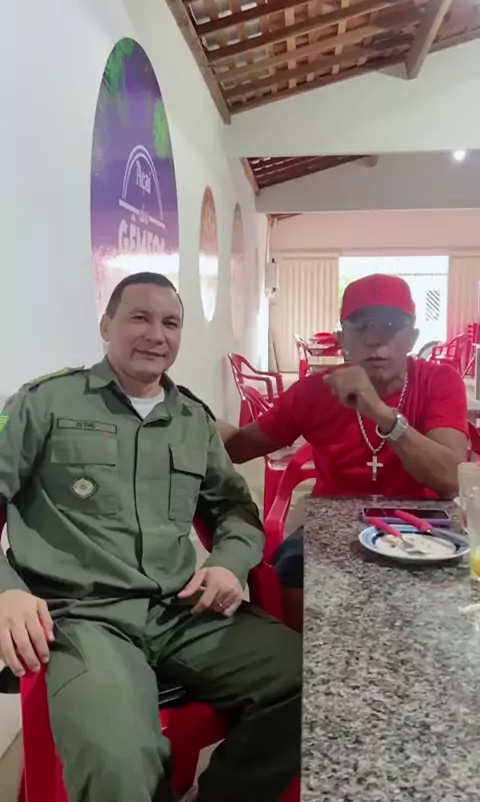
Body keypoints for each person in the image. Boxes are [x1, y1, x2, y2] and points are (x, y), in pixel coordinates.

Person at [0, 272, 301, 802]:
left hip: (180, 610)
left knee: (313, 682)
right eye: (139, 317)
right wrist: (6, 590)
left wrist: (229, 562)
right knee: (121, 765)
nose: (156, 335)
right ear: (106, 325)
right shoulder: (43, 403)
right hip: (84, 617)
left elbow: (234, 508)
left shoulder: (192, 420)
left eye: (171, 323)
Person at [219, 274, 468, 631]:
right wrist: (196, 419)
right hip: (335, 522)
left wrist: (381, 414)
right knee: (291, 567)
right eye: (361, 326)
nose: (375, 338)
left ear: (412, 337)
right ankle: (302, 656)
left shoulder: (438, 381)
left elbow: (450, 478)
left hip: (422, 523)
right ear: (342, 340)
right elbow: (240, 448)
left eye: (391, 325)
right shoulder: (313, 391)